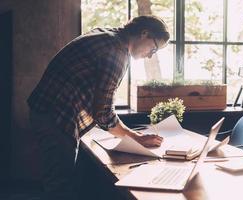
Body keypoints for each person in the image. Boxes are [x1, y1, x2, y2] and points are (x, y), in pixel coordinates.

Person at [27, 15, 169, 200]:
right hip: (56, 117)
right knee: (61, 186)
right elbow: (103, 113)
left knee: (59, 180)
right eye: (154, 48)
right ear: (144, 33)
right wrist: (137, 138)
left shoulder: (108, 35)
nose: (150, 55)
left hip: (45, 110)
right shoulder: (116, 51)